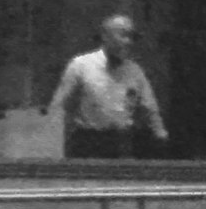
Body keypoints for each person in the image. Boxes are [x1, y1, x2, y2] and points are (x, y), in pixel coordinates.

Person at [46, 13, 169, 159]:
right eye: (123, 35)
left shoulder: (134, 70)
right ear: (105, 36)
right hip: (88, 141)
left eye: (131, 37)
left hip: (121, 142)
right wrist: (48, 141)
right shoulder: (81, 65)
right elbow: (59, 103)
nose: (128, 42)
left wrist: (160, 132)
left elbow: (149, 106)